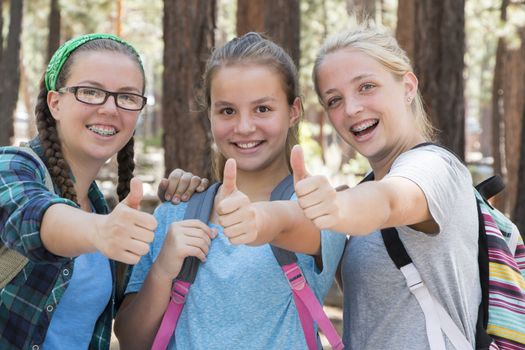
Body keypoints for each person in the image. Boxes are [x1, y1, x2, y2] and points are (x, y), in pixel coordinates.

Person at [114, 32, 345, 349]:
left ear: (293, 111)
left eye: (262, 109)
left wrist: (257, 220)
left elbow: (291, 223)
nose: (245, 126)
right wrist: (163, 271)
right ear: (209, 114)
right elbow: (131, 341)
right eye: (227, 111)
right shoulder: (175, 213)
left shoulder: (316, 208)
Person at [0, 33, 201, 350]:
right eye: (90, 92)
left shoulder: (104, 209)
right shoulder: (11, 167)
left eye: (127, 96)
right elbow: (30, 217)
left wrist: (188, 197)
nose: (109, 108)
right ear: (55, 102)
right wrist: (100, 232)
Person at [285, 25, 480, 349]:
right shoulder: (366, 189)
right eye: (334, 100)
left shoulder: (434, 168)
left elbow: (390, 201)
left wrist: (338, 207)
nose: (351, 108)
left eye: (366, 86)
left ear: (407, 86)